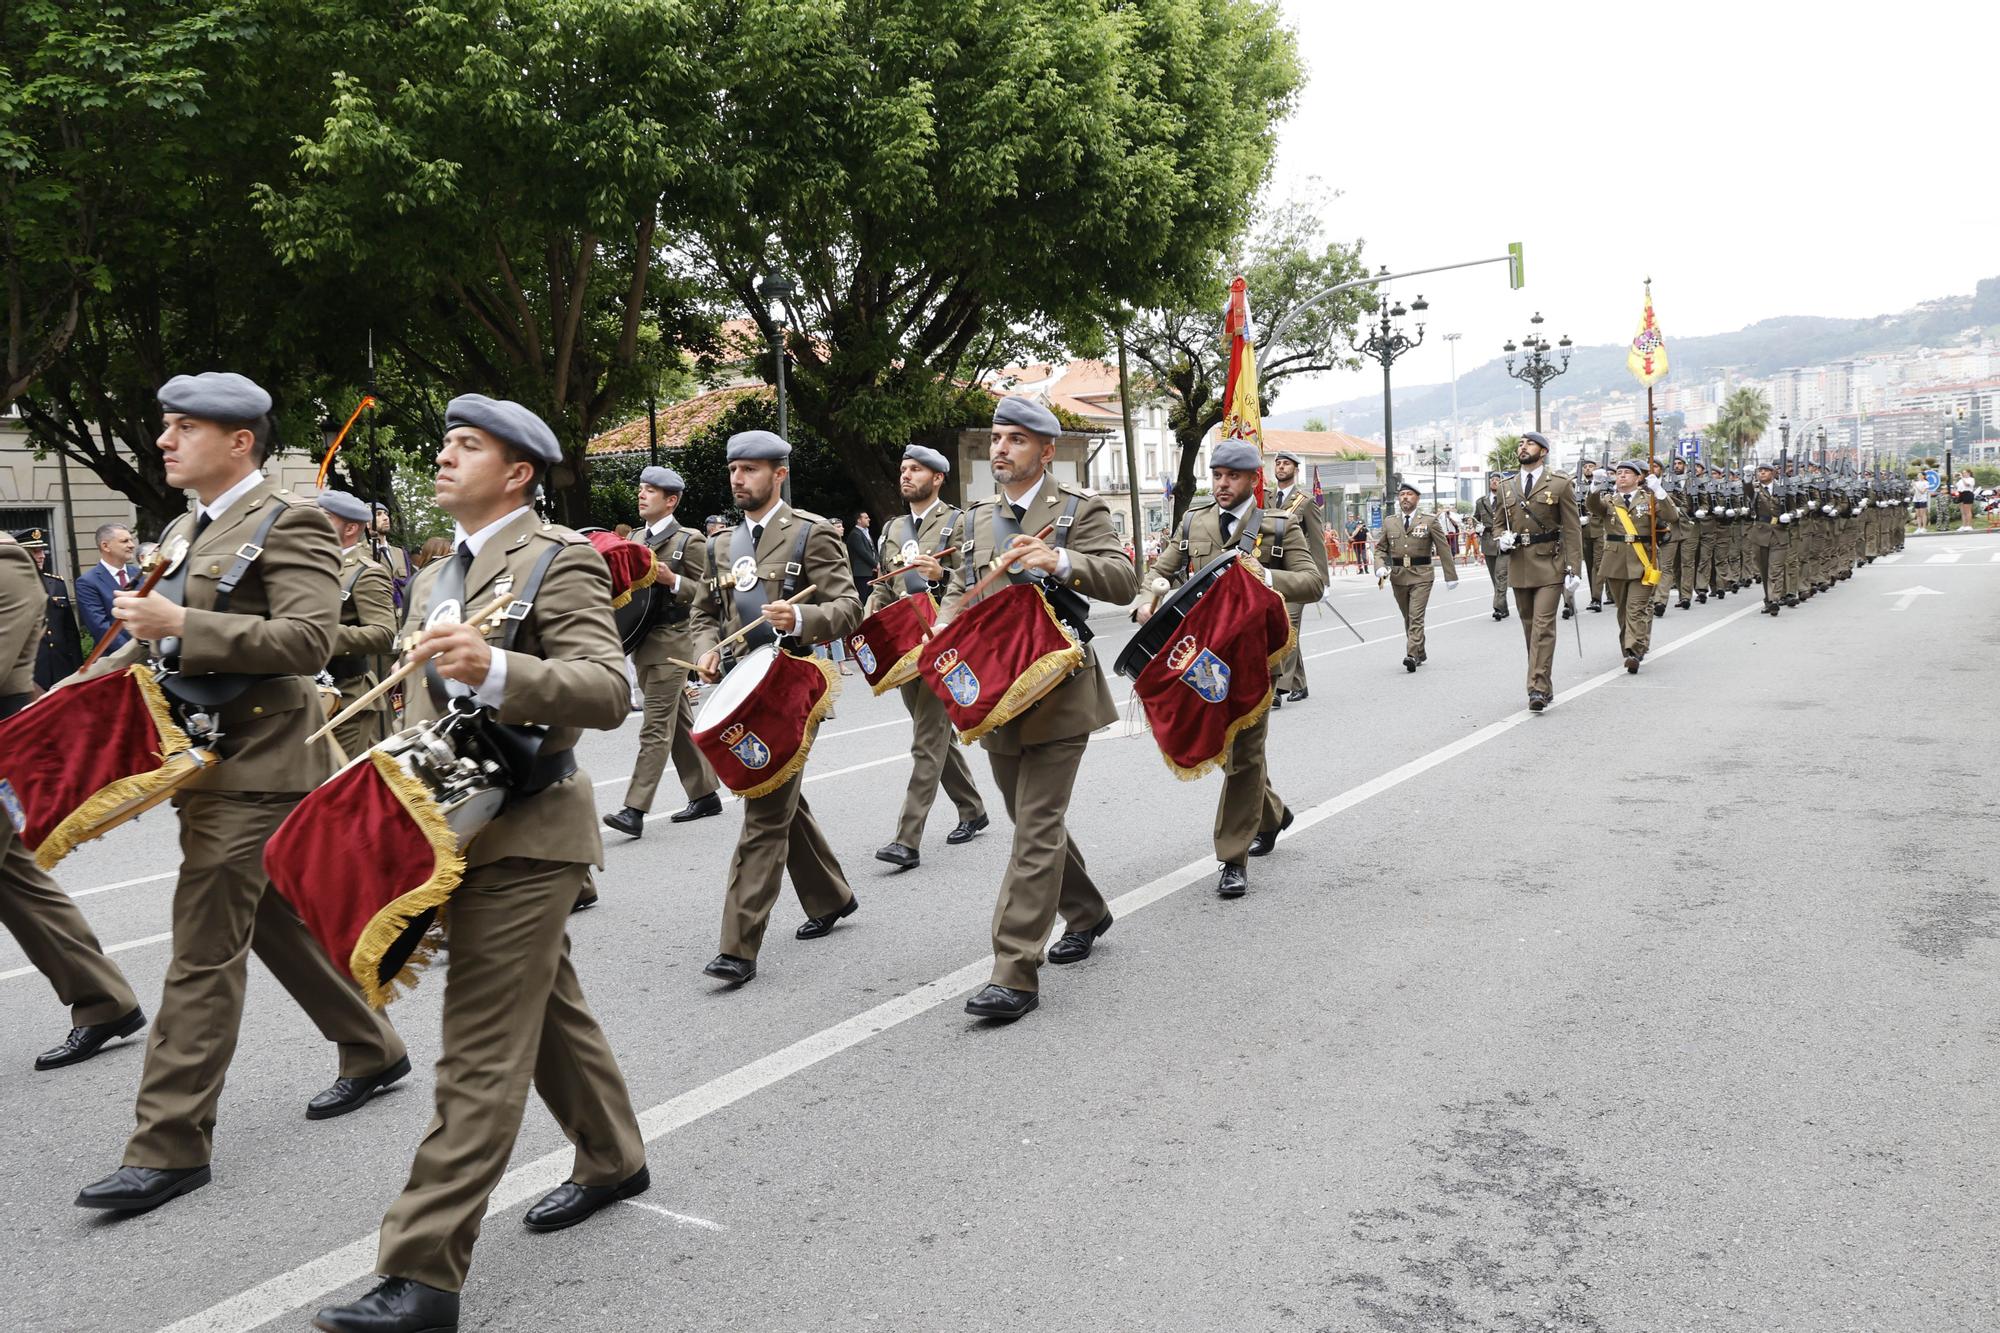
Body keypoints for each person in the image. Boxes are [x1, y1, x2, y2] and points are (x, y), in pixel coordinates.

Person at [314, 394, 648, 1333]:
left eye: (468, 446)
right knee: (545, 1010)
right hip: (454, 833)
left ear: (519, 472)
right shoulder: (430, 578)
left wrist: (495, 669)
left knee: (476, 1052)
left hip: (531, 834)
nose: (444, 457)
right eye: (445, 444)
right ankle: (615, 1157)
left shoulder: (559, 555)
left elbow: (607, 688)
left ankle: (422, 1274)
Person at [73, 371, 408, 1216]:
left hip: (264, 757)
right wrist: (78, 697)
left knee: (200, 948)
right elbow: (152, 643)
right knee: (269, 921)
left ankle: (169, 1144)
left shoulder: (288, 519)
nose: (163, 440)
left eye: (182, 426)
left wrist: (185, 625)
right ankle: (372, 1047)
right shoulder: (189, 527)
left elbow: (309, 638)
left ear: (240, 441)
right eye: (166, 424)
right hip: (207, 756)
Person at [943, 397, 1137, 1021]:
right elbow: (957, 591)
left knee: (1034, 827)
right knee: (1031, 821)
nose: (1001, 449)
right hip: (998, 697)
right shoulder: (976, 521)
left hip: (1060, 692)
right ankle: (1086, 910)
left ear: (1046, 452)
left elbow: (1121, 580)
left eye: (1016, 440)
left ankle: (1014, 971)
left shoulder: (1079, 511)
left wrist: (1059, 560)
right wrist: (939, 633)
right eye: (997, 438)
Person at [693, 430, 864, 988]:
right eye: (734, 470)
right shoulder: (719, 544)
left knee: (764, 810)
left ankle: (737, 946)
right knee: (781, 798)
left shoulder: (810, 534)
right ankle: (831, 897)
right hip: (742, 687)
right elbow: (702, 614)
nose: (739, 479)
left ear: (779, 474)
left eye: (751, 470)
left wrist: (804, 620)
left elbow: (848, 608)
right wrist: (705, 651)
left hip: (793, 684)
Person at [1139, 439, 1321, 897]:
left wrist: (1267, 577)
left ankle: (1231, 858)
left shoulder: (1277, 527)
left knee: (1243, 755)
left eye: (1232, 476)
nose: (1222, 484)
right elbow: (1160, 569)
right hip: (1202, 657)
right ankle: (1273, 813)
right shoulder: (1194, 520)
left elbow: (1314, 582)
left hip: (1256, 659)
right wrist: (1148, 596)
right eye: (1217, 475)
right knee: (1229, 749)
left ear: (1252, 480)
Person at [0, 531, 147, 1073]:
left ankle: (104, 1002)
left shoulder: (7, 562)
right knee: (16, 882)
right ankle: (103, 1001)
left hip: (4, 740)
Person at [867, 444, 989, 870]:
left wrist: (945, 575)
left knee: (925, 741)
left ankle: (907, 839)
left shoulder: (958, 522)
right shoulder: (893, 529)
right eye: (903, 469)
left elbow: (977, 580)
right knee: (936, 737)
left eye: (916, 470)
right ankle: (973, 808)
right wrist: (869, 625)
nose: (906, 476)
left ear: (937, 478)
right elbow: (882, 587)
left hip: (945, 646)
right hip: (903, 650)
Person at [603, 465, 723, 839]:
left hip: (674, 644)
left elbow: (710, 593)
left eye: (650, 490)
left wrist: (675, 581)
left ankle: (634, 808)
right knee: (679, 724)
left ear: (670, 500)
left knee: (655, 727)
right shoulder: (635, 537)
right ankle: (705, 794)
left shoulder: (689, 541)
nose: (641, 495)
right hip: (642, 642)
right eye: (641, 488)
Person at [1492, 431, 1583, 712]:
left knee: (1543, 627)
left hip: (1550, 564)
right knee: (1530, 628)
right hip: (1519, 563)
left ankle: (1537, 689)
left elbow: (1571, 528)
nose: (1523, 447)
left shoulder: (1559, 483)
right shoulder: (1507, 486)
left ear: (1543, 451)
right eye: (1521, 443)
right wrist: (1501, 537)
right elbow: (1497, 523)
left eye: (1529, 443)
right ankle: (1544, 681)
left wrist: (1574, 568)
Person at [315, 490, 397, 757]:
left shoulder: (366, 572)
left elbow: (384, 634)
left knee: (336, 786)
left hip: (347, 695)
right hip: (305, 692)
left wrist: (320, 635)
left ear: (350, 528)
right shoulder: (309, 564)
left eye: (325, 517)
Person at [1588, 459, 1677, 672]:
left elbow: (1672, 516)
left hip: (1643, 561)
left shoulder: (1649, 499)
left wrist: (1660, 491)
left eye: (1627, 472)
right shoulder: (1609, 500)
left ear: (1639, 478)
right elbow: (1592, 506)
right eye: (1618, 473)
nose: (1622, 476)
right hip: (1615, 562)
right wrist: (1595, 486)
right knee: (1622, 611)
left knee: (1635, 608)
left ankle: (1634, 651)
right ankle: (1629, 647)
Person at [1374, 479, 1459, 672]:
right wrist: (1379, 566)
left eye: (1409, 494)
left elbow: (1443, 548)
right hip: (1398, 576)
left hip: (1422, 575)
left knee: (1416, 616)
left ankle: (1411, 654)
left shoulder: (1429, 520)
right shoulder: (1390, 522)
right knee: (1408, 616)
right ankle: (1419, 650)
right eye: (1402, 494)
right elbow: (1380, 549)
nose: (1405, 497)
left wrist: (1450, 575)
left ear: (1417, 498)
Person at [1267, 449, 1325, 704]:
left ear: (1295, 469)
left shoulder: (1305, 501)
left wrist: (1321, 579)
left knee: (1286, 626)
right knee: (1283, 629)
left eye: (1286, 464)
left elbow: (1317, 540)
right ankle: (1300, 683)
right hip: (1271, 574)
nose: (1280, 467)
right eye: (1278, 463)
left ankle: (1279, 688)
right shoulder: (1266, 499)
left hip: (1297, 574)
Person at [18, 530, 83, 689]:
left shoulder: (57, 584)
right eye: (35, 551)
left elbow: (71, 633)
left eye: (42, 550)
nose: (42, 555)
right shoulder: (11, 588)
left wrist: (79, 667)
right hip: (31, 671)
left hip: (62, 666)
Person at [76, 522, 141, 655]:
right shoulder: (87, 582)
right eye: (124, 541)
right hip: (117, 659)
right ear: (105, 546)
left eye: (131, 540)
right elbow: (100, 627)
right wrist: (133, 653)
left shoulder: (140, 574)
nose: (132, 545)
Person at [1474, 472, 1510, 620]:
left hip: (1504, 542)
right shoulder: (1481, 501)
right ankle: (1504, 607)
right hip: (1488, 541)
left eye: (1498, 480)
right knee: (1494, 578)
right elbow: (1475, 518)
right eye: (1492, 480)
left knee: (1501, 575)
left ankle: (1497, 607)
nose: (1494, 482)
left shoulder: (1508, 499)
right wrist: (1477, 527)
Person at [846, 509, 879, 589]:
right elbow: (863, 552)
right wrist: (876, 564)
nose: (869, 519)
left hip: (870, 571)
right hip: (861, 572)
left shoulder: (865, 532)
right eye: (866, 518)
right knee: (864, 596)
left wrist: (878, 562)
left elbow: (873, 549)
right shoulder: (855, 534)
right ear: (859, 520)